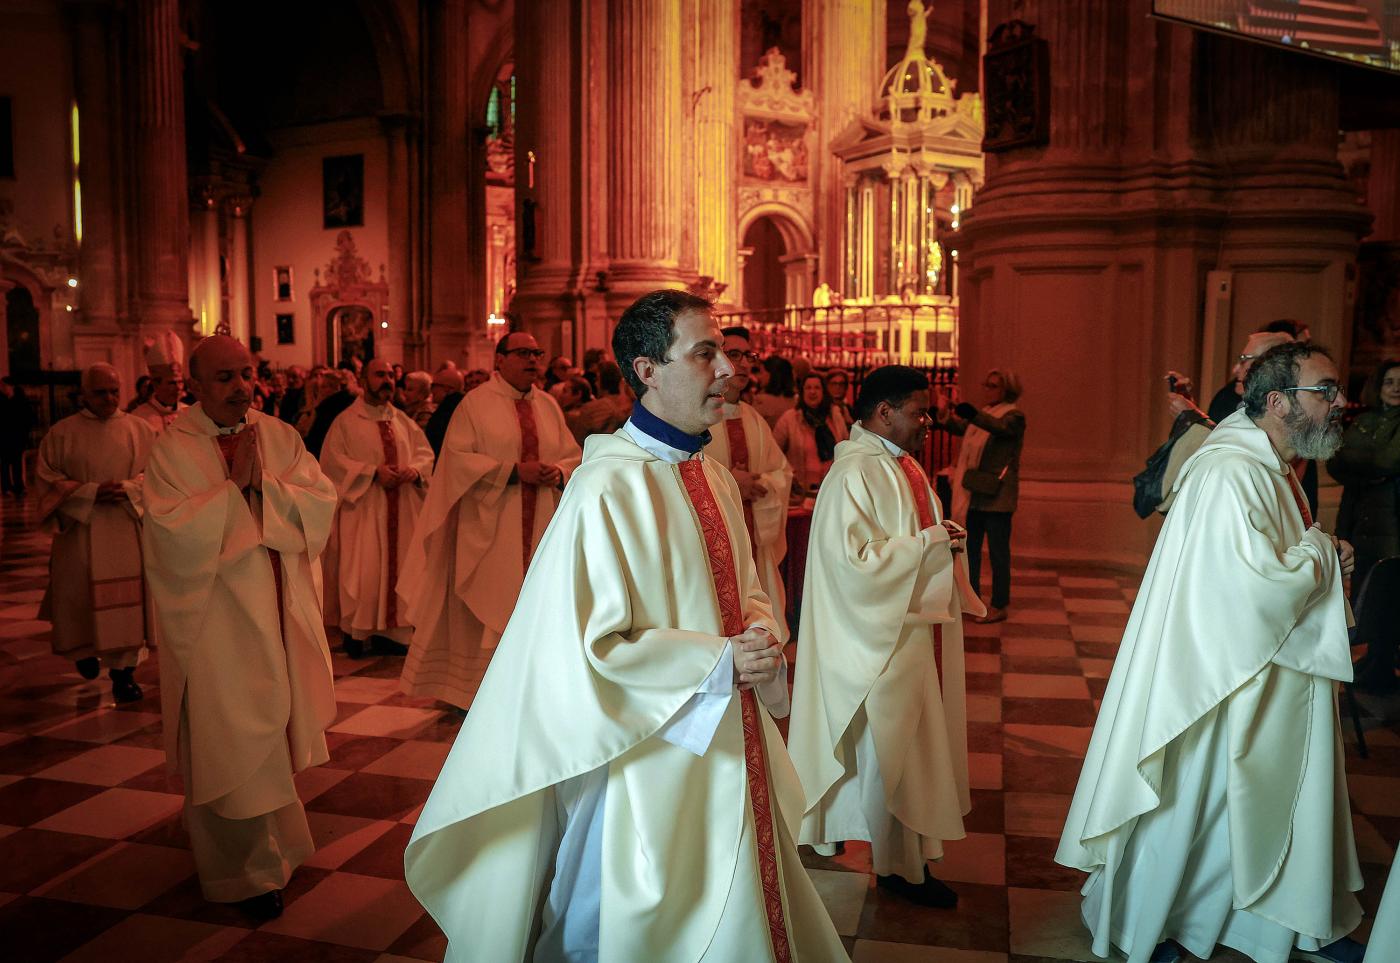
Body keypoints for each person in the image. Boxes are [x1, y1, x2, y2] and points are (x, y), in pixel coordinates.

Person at [404, 289, 847, 962]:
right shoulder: (604, 487)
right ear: (647, 369)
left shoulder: (715, 475)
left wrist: (761, 636)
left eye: (722, 351)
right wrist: (719, 660)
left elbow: (749, 589)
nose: (728, 369)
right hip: (645, 755)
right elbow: (594, 646)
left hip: (732, 735)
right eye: (705, 353)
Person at [1057, 341, 1365, 963]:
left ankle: (1274, 922)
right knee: (1197, 804)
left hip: (1262, 669)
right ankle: (1153, 922)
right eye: (1325, 391)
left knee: (1246, 807)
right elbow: (1251, 590)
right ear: (1278, 401)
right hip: (1220, 678)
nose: (1339, 403)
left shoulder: (1268, 465)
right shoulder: (1231, 471)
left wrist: (1321, 555)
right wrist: (1323, 556)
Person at [142, 335, 339, 920]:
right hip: (213, 624)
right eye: (224, 377)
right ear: (194, 386)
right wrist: (235, 492)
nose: (240, 387)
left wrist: (265, 487)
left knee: (269, 731)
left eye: (246, 374)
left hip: (275, 610)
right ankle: (240, 873)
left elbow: (320, 501)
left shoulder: (279, 436)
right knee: (228, 736)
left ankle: (277, 852)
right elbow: (168, 532)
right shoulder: (171, 449)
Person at [789, 364, 983, 909]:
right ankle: (899, 867)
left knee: (907, 749)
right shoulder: (854, 473)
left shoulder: (901, 465)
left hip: (909, 631)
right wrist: (927, 543)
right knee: (888, 751)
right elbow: (853, 565)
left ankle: (908, 857)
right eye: (919, 412)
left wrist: (941, 542)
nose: (928, 422)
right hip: (876, 640)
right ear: (883, 413)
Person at [398, 331, 583, 708]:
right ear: (500, 360)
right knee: (492, 601)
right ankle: (482, 693)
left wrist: (559, 472)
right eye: (523, 353)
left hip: (542, 523)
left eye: (537, 352)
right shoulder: (475, 404)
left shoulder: (548, 405)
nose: (533, 359)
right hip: (491, 526)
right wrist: (513, 472)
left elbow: (572, 454)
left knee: (539, 604)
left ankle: (533, 690)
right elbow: (456, 461)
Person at [34, 363, 155, 703]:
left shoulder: (140, 430)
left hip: (125, 529)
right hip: (80, 533)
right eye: (100, 392)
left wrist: (131, 489)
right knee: (81, 599)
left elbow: (158, 474)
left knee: (126, 605)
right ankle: (85, 653)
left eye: (115, 391)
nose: (109, 398)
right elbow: (47, 481)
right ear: (84, 394)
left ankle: (123, 674)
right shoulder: (61, 434)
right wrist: (88, 493)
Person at [320, 358, 434, 659]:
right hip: (364, 509)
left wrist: (415, 470)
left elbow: (425, 454)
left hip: (403, 505)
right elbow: (332, 462)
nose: (387, 380)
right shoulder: (345, 421)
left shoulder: (402, 421)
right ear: (363, 378)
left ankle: (393, 634)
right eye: (379, 375)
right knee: (364, 571)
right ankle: (358, 632)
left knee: (399, 569)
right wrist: (371, 473)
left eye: (390, 375)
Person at [704, 326, 793, 643]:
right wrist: (731, 482)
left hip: (753, 538)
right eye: (734, 354)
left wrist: (761, 483)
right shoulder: (698, 417)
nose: (743, 363)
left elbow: (782, 472)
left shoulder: (753, 418)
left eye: (748, 356)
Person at [934, 368, 1025, 624]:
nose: (988, 389)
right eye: (986, 384)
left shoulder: (1014, 416)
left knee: (998, 553)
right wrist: (944, 412)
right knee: (970, 551)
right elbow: (960, 426)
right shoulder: (985, 414)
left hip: (998, 497)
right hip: (976, 493)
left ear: (1006, 389)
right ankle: (971, 600)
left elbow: (998, 428)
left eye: (993, 385)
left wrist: (973, 413)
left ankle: (999, 604)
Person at [1329, 359, 1400, 593]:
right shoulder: (1362, 421)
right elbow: (1336, 463)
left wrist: (1359, 466)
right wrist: (1371, 473)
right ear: (1377, 386)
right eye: (1389, 382)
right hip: (1359, 519)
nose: (1396, 388)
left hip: (1393, 521)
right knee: (1363, 594)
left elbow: (1388, 460)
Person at [774, 372, 849, 494]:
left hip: (832, 489)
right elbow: (774, 453)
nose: (812, 392)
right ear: (802, 392)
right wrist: (790, 475)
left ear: (823, 392)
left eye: (817, 388)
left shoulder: (835, 416)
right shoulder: (789, 419)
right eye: (808, 388)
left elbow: (846, 448)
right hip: (800, 492)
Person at [132, 334, 186, 434]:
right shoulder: (139, 418)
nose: (178, 388)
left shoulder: (190, 413)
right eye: (172, 383)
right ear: (156, 384)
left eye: (180, 382)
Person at [567, 360, 632, 443]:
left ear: (603, 381)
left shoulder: (592, 408)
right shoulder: (631, 406)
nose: (595, 383)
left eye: (597, 379)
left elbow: (578, 440)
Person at [304, 366, 357, 459]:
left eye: (324, 386)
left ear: (337, 387)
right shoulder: (354, 405)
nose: (320, 391)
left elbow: (315, 442)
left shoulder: (327, 409)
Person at [0, 375, 34, 496]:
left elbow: (29, 418)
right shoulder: (4, 401)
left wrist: (23, 432)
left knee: (15, 463)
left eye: (4, 385)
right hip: (5, 438)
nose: (2, 388)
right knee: (5, 464)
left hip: (16, 437)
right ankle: (7, 487)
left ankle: (18, 487)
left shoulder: (20, 401)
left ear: (11, 387)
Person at [423, 367, 466, 460]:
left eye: (433, 385)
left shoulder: (445, 414)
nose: (431, 390)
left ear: (447, 389)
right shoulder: (465, 407)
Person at [751, 354, 796, 427]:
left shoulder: (761, 401)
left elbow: (750, 428)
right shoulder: (795, 401)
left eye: (762, 372)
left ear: (772, 375)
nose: (759, 376)